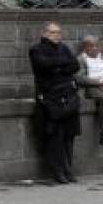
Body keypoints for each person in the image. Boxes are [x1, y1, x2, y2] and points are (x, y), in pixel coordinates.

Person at [29, 22, 81, 184]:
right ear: (44, 33)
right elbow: (42, 65)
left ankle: (68, 169)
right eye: (53, 32)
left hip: (68, 96)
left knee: (69, 135)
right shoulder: (36, 49)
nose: (57, 35)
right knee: (54, 136)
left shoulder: (64, 48)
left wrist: (57, 66)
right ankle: (58, 171)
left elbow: (75, 65)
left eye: (58, 32)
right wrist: (61, 64)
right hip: (50, 99)